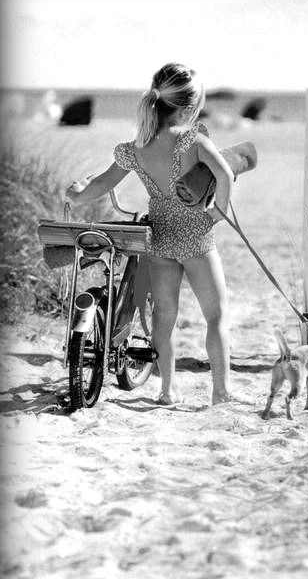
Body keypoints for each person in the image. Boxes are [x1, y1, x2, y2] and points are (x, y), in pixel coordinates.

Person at [66, 62, 235, 406]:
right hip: (197, 238)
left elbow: (102, 183)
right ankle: (220, 392)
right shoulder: (193, 140)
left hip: (160, 238)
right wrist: (218, 213)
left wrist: (77, 195)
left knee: (164, 317)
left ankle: (167, 389)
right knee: (216, 316)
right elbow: (226, 174)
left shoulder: (136, 148)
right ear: (188, 108)